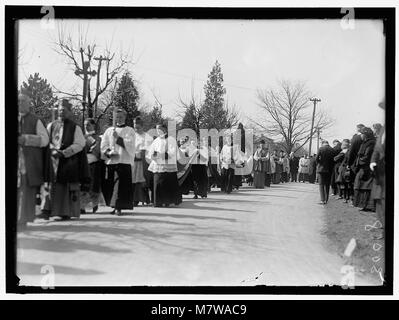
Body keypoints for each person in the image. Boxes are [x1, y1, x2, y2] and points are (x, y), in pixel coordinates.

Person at [39, 99, 88, 221]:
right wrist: (52, 150)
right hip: (53, 160)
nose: (61, 113)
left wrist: (65, 153)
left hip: (68, 160)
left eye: (64, 111)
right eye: (60, 110)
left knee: (65, 186)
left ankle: (65, 211)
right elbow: (46, 140)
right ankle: (47, 210)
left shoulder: (75, 127)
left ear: (69, 112)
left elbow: (80, 143)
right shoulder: (51, 125)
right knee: (50, 185)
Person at [17, 93, 49, 230]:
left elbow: (45, 140)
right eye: (18, 101)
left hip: (27, 162)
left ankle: (22, 219)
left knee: (26, 191)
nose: (20, 103)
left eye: (23, 101)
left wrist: (26, 139)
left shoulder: (36, 120)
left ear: (29, 103)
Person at [101, 109, 136, 215]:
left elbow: (130, 145)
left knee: (120, 186)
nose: (119, 119)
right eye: (117, 117)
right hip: (112, 161)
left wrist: (118, 138)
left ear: (125, 117)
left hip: (123, 161)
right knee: (111, 184)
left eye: (121, 117)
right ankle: (113, 205)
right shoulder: (109, 130)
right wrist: (108, 152)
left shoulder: (130, 130)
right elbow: (104, 144)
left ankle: (118, 207)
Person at [147, 122, 181, 207]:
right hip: (158, 165)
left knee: (167, 183)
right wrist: (154, 155)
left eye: (160, 129)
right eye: (157, 129)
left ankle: (168, 201)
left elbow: (172, 152)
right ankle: (158, 201)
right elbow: (150, 152)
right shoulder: (156, 140)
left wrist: (161, 155)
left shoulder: (171, 139)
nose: (158, 131)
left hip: (168, 165)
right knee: (158, 183)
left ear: (165, 129)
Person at [370, 102, 385, 239]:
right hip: (379, 171)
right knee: (379, 199)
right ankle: (382, 228)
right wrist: (373, 161)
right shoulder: (383, 130)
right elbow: (377, 148)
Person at [80, 118, 102, 214]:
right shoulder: (81, 137)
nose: (86, 126)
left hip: (94, 163)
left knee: (94, 186)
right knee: (84, 186)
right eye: (85, 124)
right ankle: (82, 206)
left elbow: (97, 150)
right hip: (83, 164)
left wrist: (92, 144)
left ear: (93, 126)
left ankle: (94, 204)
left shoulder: (98, 137)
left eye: (88, 124)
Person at [353, 127, 376, 212]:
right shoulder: (366, 143)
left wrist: (359, 163)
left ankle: (367, 206)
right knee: (362, 186)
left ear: (365, 135)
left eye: (362, 134)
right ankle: (363, 205)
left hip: (367, 168)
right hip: (364, 167)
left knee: (365, 186)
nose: (361, 136)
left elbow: (366, 157)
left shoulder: (370, 143)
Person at [132, 116, 153, 206]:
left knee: (142, 180)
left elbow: (149, 149)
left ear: (142, 127)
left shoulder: (147, 137)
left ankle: (144, 198)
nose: (136, 129)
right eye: (135, 127)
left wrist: (142, 153)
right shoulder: (131, 136)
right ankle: (134, 199)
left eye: (138, 128)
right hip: (133, 161)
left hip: (143, 161)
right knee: (134, 181)